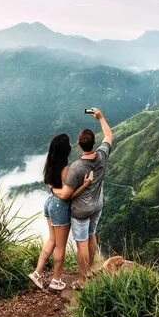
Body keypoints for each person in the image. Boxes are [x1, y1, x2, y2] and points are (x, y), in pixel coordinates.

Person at [29, 134, 93, 291]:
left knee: (52, 240)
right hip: (60, 207)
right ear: (66, 150)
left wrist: (53, 189)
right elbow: (67, 195)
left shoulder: (49, 164)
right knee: (60, 246)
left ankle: (37, 273)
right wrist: (84, 186)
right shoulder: (66, 170)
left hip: (49, 203)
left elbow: (50, 185)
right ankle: (56, 280)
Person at [64, 108, 113, 288]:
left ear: (79, 144)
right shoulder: (102, 155)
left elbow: (67, 194)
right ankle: (90, 270)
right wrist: (101, 117)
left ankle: (82, 280)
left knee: (82, 244)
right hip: (97, 205)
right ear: (94, 143)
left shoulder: (76, 167)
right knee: (92, 236)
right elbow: (109, 135)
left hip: (82, 211)